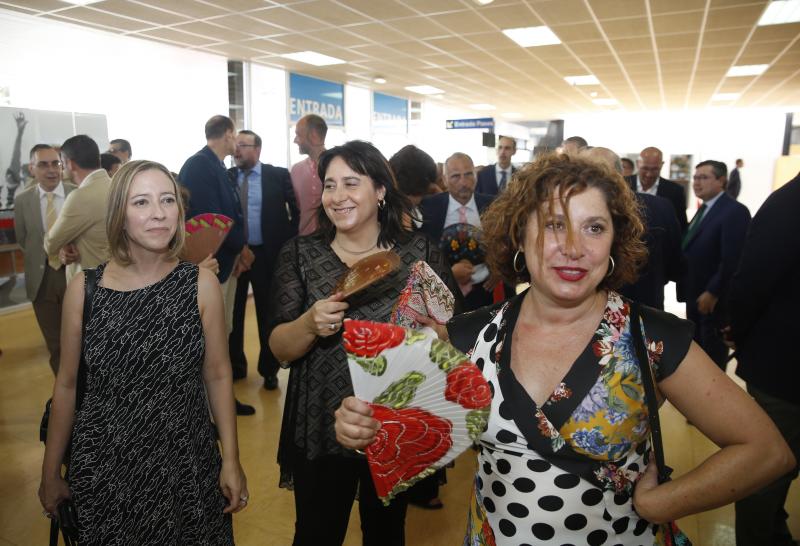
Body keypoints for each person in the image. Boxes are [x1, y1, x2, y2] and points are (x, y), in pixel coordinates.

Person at [336, 153, 794, 545]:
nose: (573, 247)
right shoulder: (465, 337)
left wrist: (662, 501)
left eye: (594, 227)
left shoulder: (648, 336)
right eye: (554, 225)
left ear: (615, 241)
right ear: (519, 235)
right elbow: (400, 436)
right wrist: (361, 429)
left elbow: (765, 450)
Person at [38, 160, 248, 544]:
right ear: (119, 214)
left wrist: (231, 460)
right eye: (141, 202)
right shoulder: (84, 291)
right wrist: (51, 472)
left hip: (185, 462)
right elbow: (67, 385)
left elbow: (217, 374)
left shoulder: (200, 285)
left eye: (167, 200)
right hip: (106, 467)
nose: (158, 213)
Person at [267, 140, 459, 546]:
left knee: (386, 534)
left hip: (394, 423)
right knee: (316, 533)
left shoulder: (420, 254)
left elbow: (453, 343)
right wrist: (308, 323)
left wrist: (440, 341)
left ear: (381, 190)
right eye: (330, 185)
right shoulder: (301, 254)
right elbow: (280, 349)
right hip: (322, 421)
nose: (337, 197)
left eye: (351, 183)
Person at [727, 172, 800, 546]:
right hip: (786, 374)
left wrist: (737, 332)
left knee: (768, 474)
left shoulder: (786, 203)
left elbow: (751, 282)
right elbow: (753, 282)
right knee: (768, 472)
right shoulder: (789, 204)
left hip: (782, 368)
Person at [178, 115, 253, 415]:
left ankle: (220, 401)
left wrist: (239, 251)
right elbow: (208, 224)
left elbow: (228, 217)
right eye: (236, 136)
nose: (237, 142)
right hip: (210, 266)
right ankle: (207, 409)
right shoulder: (199, 166)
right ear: (228, 134)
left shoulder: (216, 165)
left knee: (224, 331)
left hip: (226, 262)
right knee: (212, 338)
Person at [228, 129, 299, 390]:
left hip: (268, 256)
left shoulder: (277, 175)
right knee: (233, 315)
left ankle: (269, 370)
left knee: (267, 315)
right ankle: (237, 366)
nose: (237, 150)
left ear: (257, 149)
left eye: (243, 145)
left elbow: (296, 212)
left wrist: (286, 244)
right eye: (235, 145)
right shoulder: (228, 177)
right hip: (236, 257)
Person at [681, 160, 750, 369]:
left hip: (712, 300)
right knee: (697, 349)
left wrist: (713, 292)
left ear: (722, 181)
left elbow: (733, 259)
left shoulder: (734, 211)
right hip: (694, 292)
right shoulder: (705, 210)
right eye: (695, 177)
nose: (696, 183)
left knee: (711, 355)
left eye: (703, 177)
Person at [13, 144, 76, 374]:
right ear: (32, 169)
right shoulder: (22, 201)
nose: (51, 170)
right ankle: (66, 397)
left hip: (74, 274)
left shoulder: (75, 193)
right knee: (56, 344)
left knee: (84, 339)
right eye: (43, 164)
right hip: (42, 280)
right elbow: (23, 239)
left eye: (55, 163)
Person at [419, 152, 497, 311]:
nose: (464, 182)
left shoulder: (494, 205)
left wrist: (500, 270)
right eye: (455, 176)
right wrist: (448, 274)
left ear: (476, 176)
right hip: (442, 293)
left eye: (468, 174)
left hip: (486, 290)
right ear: (445, 180)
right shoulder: (428, 208)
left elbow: (507, 243)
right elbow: (420, 254)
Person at [44, 135, 111, 284]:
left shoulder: (81, 197)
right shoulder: (116, 187)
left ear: (70, 164)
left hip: (93, 285)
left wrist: (64, 244)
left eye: (61, 163)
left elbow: (51, 242)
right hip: (121, 279)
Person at [625, 146, 688, 232]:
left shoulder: (675, 191)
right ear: (637, 163)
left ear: (661, 165)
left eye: (655, 169)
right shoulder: (623, 185)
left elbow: (680, 226)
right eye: (645, 168)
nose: (649, 174)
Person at [291, 114, 327, 236]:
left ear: (313, 136)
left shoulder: (340, 167)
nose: (295, 140)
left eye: (298, 135)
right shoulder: (296, 170)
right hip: (303, 244)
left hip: (335, 245)